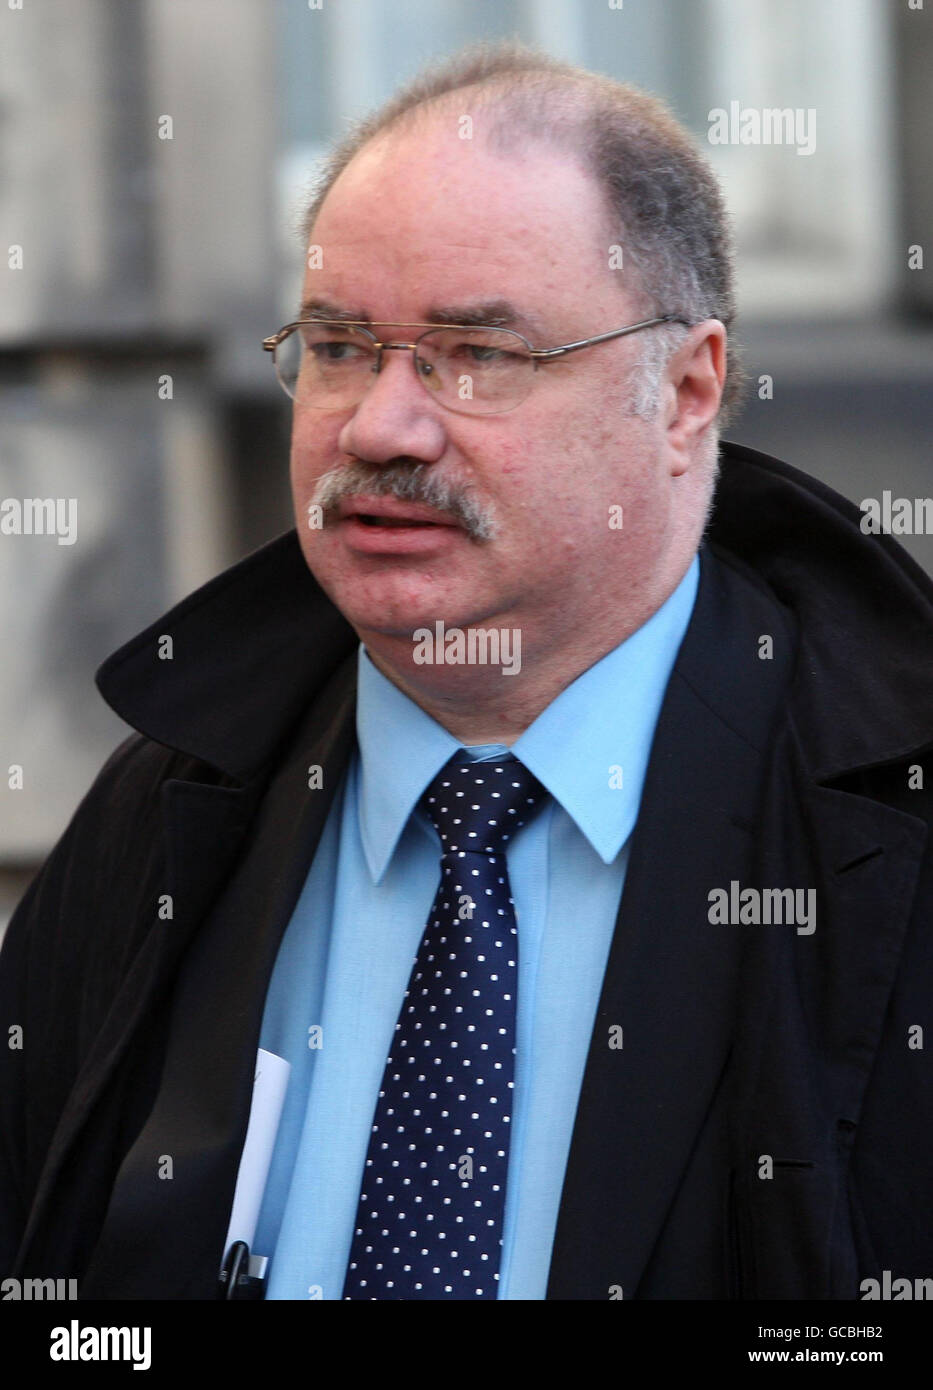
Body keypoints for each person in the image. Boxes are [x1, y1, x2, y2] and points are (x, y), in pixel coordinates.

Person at [2, 40, 931, 1303]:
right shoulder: (169, 803)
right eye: (336, 347)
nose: (380, 426)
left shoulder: (887, 833)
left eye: (476, 353)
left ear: (687, 391)